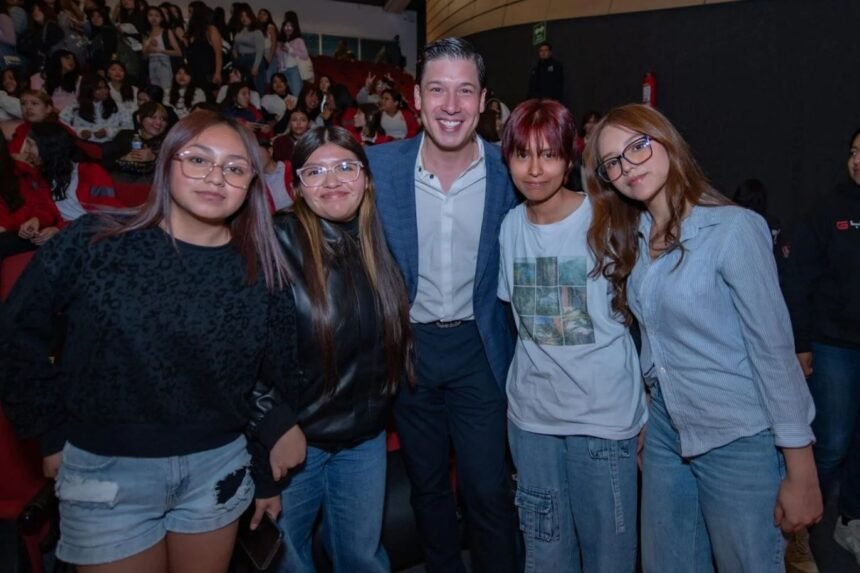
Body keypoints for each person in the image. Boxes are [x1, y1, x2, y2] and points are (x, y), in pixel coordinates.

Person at [0, 110, 301, 572]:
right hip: (107, 469)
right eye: (198, 159)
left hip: (216, 466)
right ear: (167, 161)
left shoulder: (260, 265)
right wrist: (49, 431)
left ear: (251, 184)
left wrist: (264, 472)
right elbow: (18, 331)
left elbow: (269, 376)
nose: (215, 177)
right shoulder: (97, 240)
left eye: (235, 167)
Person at [582, 103, 822, 572]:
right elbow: (657, 341)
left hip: (738, 437)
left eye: (637, 146)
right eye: (612, 162)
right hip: (667, 430)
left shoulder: (734, 229)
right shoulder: (638, 236)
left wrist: (801, 467)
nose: (627, 167)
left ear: (667, 142)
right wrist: (652, 411)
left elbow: (774, 353)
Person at [366, 37, 520, 573]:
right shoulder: (377, 169)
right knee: (427, 488)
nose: (451, 106)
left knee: (487, 489)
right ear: (416, 97)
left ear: (483, 100)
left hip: (480, 349)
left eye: (464, 91)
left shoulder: (511, 172)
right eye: (437, 90)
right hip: (410, 351)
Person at [250, 125, 413, 572]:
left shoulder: (380, 240)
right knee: (289, 561)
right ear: (297, 187)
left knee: (362, 557)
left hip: (364, 440)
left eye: (345, 167)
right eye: (315, 171)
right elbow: (239, 355)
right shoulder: (274, 244)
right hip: (296, 443)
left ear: (366, 178)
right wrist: (276, 425)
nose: (333, 181)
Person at [498, 98, 646, 572]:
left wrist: (648, 404)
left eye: (549, 154)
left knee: (609, 558)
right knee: (545, 558)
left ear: (569, 158)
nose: (535, 169)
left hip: (603, 421)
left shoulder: (607, 219)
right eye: (523, 154)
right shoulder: (509, 227)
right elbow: (516, 320)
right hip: (533, 423)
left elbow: (644, 316)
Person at [782, 128, 860, 567]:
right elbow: (798, 279)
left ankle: (851, 521)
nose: (858, 160)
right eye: (854, 152)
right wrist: (801, 342)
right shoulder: (828, 209)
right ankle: (800, 524)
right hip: (833, 346)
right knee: (831, 443)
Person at [15, 121, 122, 244]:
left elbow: (105, 215)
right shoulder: (44, 176)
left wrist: (60, 229)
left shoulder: (91, 172)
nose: (25, 150)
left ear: (47, 147)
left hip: (96, 236)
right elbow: (46, 209)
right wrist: (36, 220)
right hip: (67, 235)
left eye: (30, 144)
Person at [102, 100, 168, 182]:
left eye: (163, 119)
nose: (159, 122)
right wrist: (124, 159)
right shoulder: (125, 136)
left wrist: (153, 158)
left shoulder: (167, 142)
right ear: (139, 118)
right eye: (153, 117)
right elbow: (106, 164)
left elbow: (171, 169)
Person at [59, 72, 126, 143]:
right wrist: (79, 132)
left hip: (111, 143)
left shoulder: (116, 106)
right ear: (88, 90)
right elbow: (62, 124)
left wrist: (109, 132)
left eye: (105, 88)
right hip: (84, 144)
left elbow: (128, 127)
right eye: (99, 88)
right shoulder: (75, 105)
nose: (105, 91)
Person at [142, 5, 182, 92]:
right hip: (151, 63)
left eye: (157, 15)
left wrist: (161, 51)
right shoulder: (146, 34)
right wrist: (148, 48)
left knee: (166, 89)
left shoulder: (167, 32)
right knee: (155, 91)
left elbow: (178, 52)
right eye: (150, 15)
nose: (153, 18)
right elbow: (144, 56)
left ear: (162, 18)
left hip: (164, 62)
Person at [231, 4, 265, 97]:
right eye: (242, 16)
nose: (244, 18)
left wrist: (255, 67)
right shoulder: (240, 30)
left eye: (246, 16)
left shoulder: (257, 31)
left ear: (251, 16)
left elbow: (260, 51)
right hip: (241, 60)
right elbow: (235, 46)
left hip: (253, 60)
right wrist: (235, 55)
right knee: (240, 88)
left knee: (256, 89)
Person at [275, 11, 310, 99]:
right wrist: (279, 48)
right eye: (285, 26)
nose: (287, 28)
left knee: (296, 94)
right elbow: (278, 56)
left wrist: (290, 50)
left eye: (290, 26)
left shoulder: (298, 40)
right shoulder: (281, 41)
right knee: (285, 96)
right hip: (283, 70)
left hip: (294, 69)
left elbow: (305, 55)